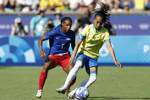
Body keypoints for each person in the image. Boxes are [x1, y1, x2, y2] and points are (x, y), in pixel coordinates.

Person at [56, 10, 122, 99]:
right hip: (83, 53)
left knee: (93, 78)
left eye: (100, 23)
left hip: (93, 57)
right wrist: (73, 57)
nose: (98, 25)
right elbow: (78, 44)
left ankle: (74, 92)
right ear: (94, 20)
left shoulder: (105, 32)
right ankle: (65, 86)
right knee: (78, 65)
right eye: (97, 22)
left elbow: (109, 47)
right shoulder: (87, 28)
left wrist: (115, 60)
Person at [36, 17, 76, 98]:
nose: (69, 27)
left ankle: (66, 88)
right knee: (45, 67)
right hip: (54, 56)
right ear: (62, 24)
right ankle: (39, 90)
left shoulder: (72, 33)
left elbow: (73, 46)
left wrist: (75, 57)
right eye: (67, 25)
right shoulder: (55, 31)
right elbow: (40, 39)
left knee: (73, 75)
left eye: (70, 25)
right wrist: (41, 50)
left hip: (65, 56)